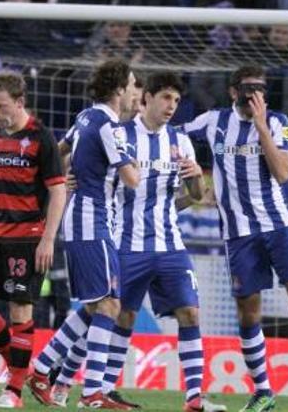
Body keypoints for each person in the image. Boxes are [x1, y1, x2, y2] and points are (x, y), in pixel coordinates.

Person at [182, 64, 288, 412]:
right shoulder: (213, 121)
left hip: (278, 227)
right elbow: (171, 133)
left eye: (260, 88)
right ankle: (263, 392)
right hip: (239, 235)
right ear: (232, 92)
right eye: (247, 88)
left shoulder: (276, 122)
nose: (254, 94)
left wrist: (260, 125)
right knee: (249, 313)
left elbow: (284, 172)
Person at [70, 71, 221, 412]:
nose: (172, 106)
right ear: (146, 97)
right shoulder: (120, 134)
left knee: (191, 312)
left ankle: (194, 398)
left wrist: (196, 177)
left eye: (177, 101)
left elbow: (196, 196)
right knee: (117, 316)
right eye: (166, 98)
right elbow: (90, 174)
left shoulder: (180, 141)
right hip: (125, 241)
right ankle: (97, 387)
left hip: (169, 245)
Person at [27, 59, 139, 409]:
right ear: (119, 89)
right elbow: (133, 180)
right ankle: (92, 394)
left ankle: (43, 369)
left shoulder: (84, 117)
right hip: (92, 220)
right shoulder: (109, 125)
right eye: (133, 85)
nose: (136, 92)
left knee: (97, 305)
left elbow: (58, 153)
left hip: (85, 219)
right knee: (109, 304)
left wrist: (63, 179)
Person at [0, 71, 67, 408]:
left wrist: (48, 239)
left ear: (20, 102)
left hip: (27, 238)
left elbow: (57, 190)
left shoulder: (41, 137)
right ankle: (24, 370)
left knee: (21, 311)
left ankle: (14, 392)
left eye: (1, 106)